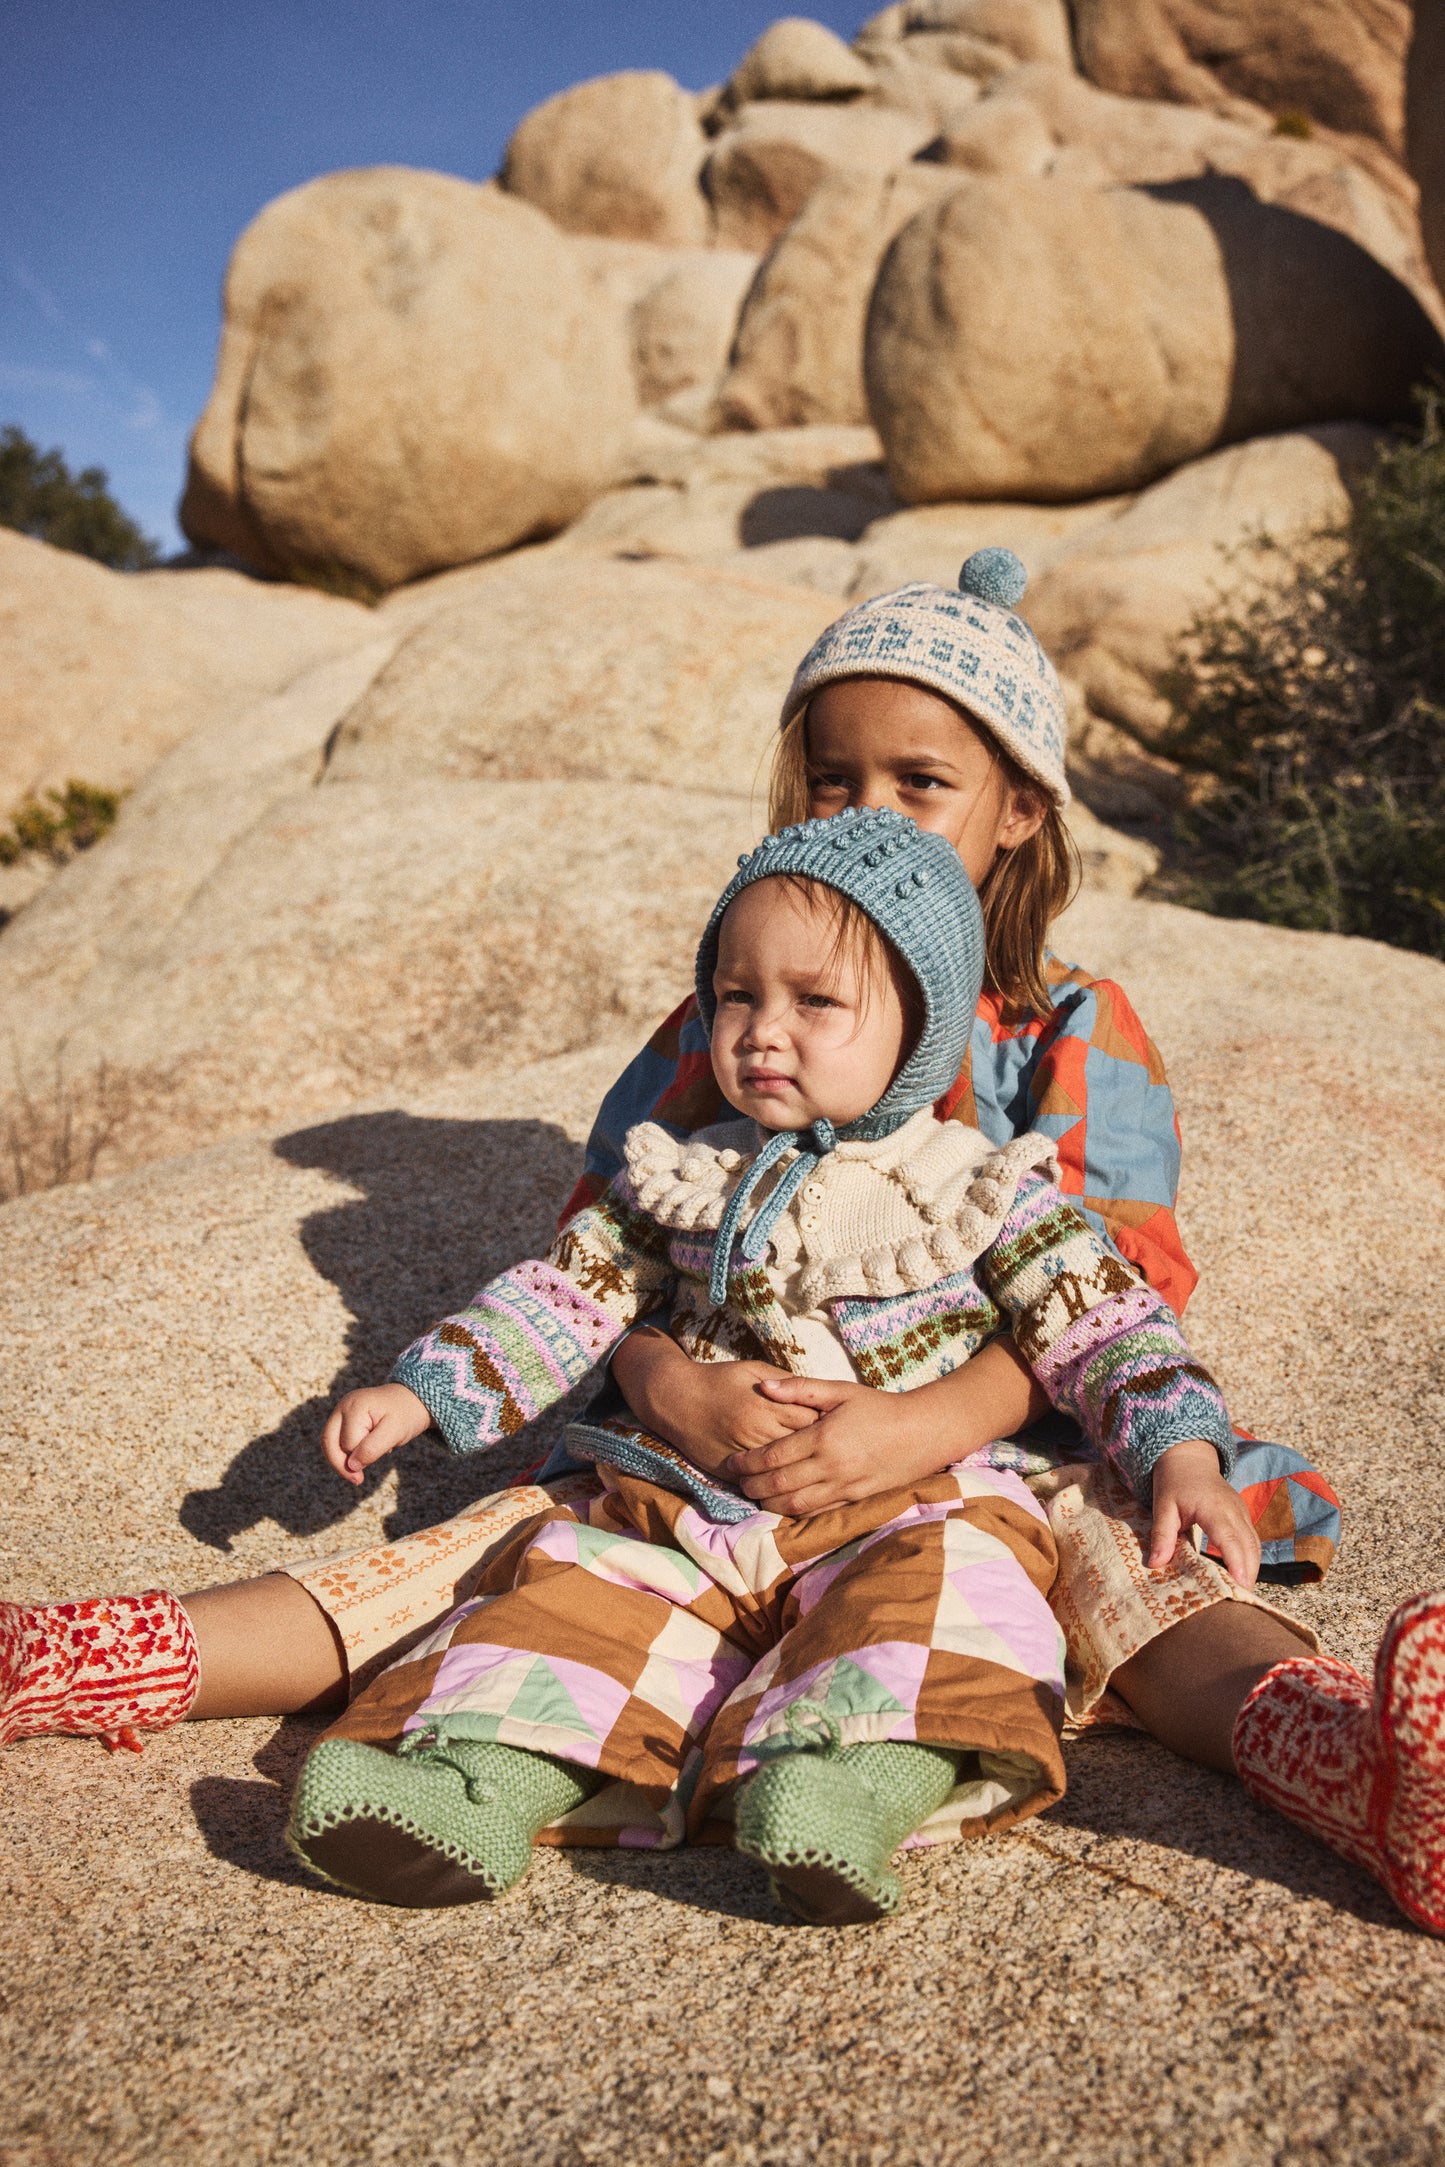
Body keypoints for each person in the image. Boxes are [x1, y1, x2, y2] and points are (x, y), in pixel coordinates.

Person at [2, 552, 1439, 1933]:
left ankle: (1352, 1762)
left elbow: (1116, 1282)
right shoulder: (725, 1025)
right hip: (696, 1453)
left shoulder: (1070, 1030)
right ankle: (98, 1653)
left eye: (923, 781)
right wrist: (665, 1386)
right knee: (486, 1560)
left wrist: (927, 1421)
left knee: (1145, 1584)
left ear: (1016, 807)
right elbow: (597, 1253)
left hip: (1006, 1447)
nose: (872, 805)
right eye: (835, 773)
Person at [286, 804, 1250, 1923]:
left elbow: (1106, 1325)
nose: (760, 1029)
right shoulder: (680, 1181)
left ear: (918, 1023)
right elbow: (561, 1293)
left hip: (907, 1504)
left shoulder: (975, 1187)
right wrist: (421, 1389)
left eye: (814, 1001)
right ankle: (469, 1790)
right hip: (687, 1508)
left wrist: (1181, 1452)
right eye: (736, 994)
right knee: (570, 1604)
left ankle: (852, 1788)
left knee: (947, 1600)